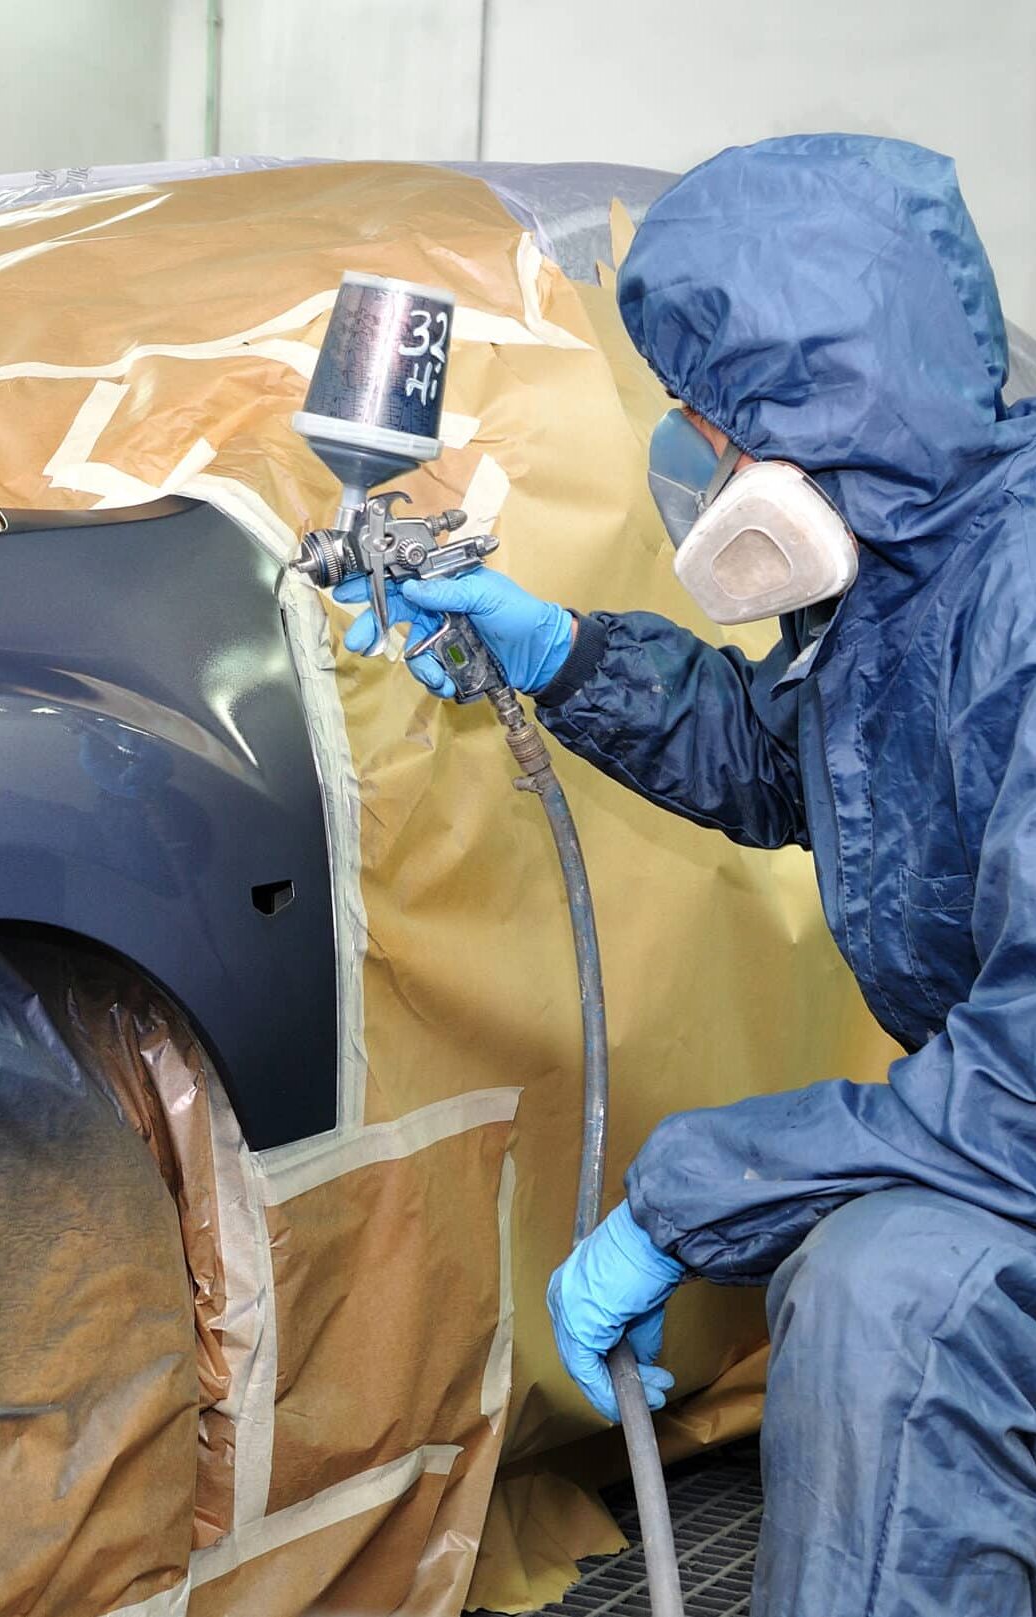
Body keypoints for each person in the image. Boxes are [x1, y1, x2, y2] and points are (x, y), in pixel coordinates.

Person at [335, 134, 1036, 1616]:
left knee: (890, 1297)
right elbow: (805, 768)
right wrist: (559, 651)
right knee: (864, 1263)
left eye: (703, 422)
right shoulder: (925, 574)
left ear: (812, 417)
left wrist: (682, 1198)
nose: (689, 460)